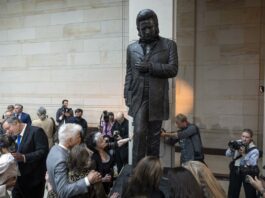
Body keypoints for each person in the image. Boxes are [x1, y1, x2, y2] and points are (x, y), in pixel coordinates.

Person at [124, 9, 178, 166]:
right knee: (139, 133)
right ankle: (137, 171)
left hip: (157, 98)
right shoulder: (131, 48)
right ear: (138, 30)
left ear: (156, 26)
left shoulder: (169, 45)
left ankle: (152, 173)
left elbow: (173, 69)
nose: (147, 31)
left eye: (150, 27)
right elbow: (129, 73)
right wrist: (127, 94)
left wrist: (150, 67)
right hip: (138, 97)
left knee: (154, 137)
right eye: (143, 29)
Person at [46, 124, 102, 198]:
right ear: (70, 140)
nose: (80, 139)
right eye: (78, 137)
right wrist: (87, 180)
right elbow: (63, 192)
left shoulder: (54, 149)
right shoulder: (62, 160)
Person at [2, 116, 49, 198]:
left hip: (33, 179)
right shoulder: (15, 135)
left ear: (16, 123)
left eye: (8, 128)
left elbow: (43, 151)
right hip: (18, 179)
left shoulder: (36, 131)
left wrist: (24, 157)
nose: (7, 131)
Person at [225, 129, 259, 198]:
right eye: (243, 136)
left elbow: (252, 164)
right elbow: (227, 154)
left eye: (247, 137)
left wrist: (243, 154)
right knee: (233, 191)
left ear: (251, 138)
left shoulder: (254, 150)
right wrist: (231, 149)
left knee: (250, 192)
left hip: (248, 171)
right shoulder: (237, 143)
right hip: (236, 169)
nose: (244, 139)